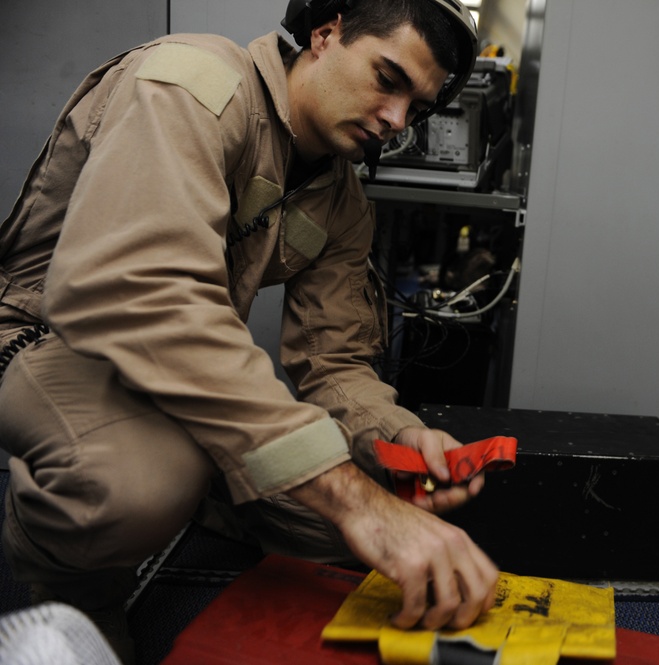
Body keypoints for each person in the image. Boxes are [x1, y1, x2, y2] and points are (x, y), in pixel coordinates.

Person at [0, 0, 498, 661]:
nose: (397, 120)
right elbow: (141, 294)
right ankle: (71, 591)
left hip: (175, 366)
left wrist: (395, 436)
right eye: (388, 78)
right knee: (141, 486)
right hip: (48, 337)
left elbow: (335, 364)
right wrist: (353, 502)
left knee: (372, 501)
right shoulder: (195, 81)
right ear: (326, 34)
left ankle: (205, 482)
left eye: (418, 107)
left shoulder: (342, 199)